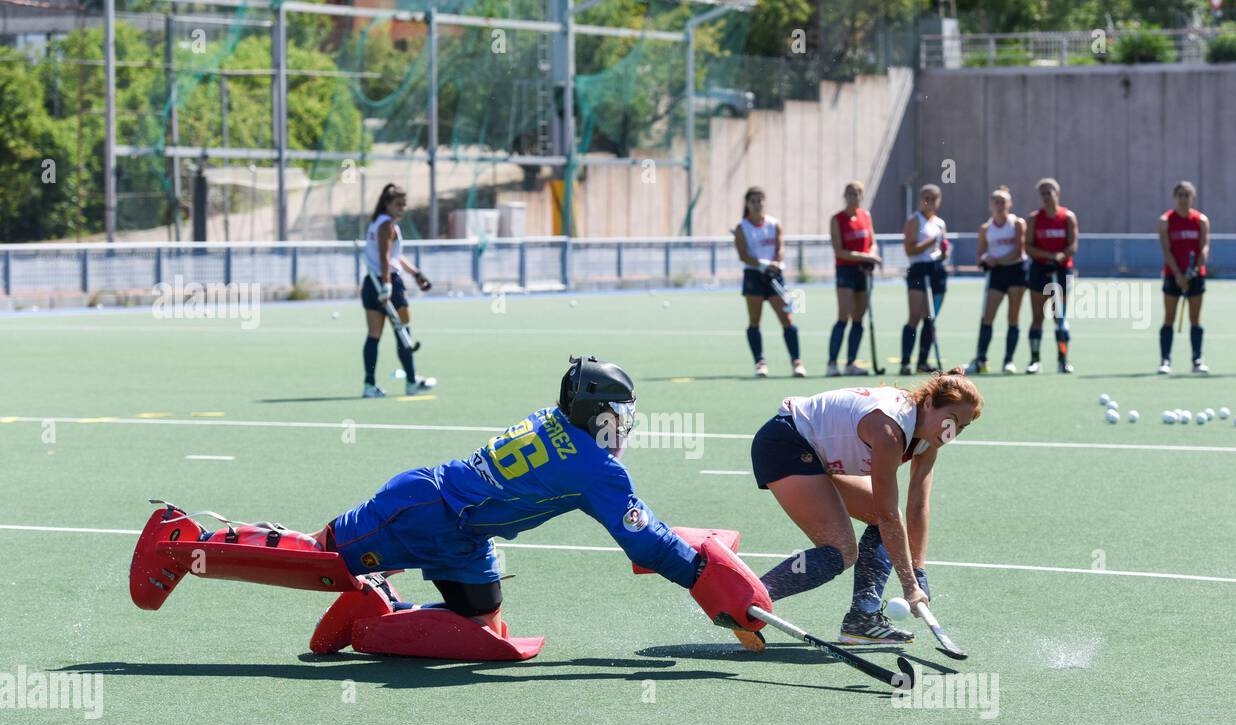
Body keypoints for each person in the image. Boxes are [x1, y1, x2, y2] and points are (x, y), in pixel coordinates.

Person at [131, 358, 772, 645]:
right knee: (319, 560)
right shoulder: (593, 466)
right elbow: (640, 538)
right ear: (593, 414)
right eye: (616, 415)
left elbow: (639, 526)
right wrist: (700, 576)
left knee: (482, 621)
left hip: (462, 533)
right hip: (424, 510)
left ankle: (377, 605)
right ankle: (181, 546)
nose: (622, 427)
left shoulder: (562, 425)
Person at [740, 370, 983, 649]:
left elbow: (917, 505)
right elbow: (888, 514)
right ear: (928, 403)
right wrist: (909, 586)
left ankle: (862, 619)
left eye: (962, 427)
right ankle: (745, 599)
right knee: (841, 551)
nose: (951, 433)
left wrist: (919, 572)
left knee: (882, 524)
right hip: (787, 444)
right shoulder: (890, 430)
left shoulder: (929, 437)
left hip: (820, 454)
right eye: (951, 420)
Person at [361, 183, 436, 398]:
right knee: (404, 332)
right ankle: (411, 381)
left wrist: (415, 273)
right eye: (398, 205)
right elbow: (385, 257)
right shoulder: (387, 226)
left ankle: (369, 385)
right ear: (387, 204)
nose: (402, 209)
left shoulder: (377, 223)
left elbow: (394, 255)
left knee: (374, 336)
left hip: (371, 284)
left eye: (404, 205)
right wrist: (387, 284)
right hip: (389, 285)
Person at [733, 186, 807, 378]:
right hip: (754, 277)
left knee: (787, 319)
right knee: (755, 321)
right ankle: (760, 363)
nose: (757, 204)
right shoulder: (742, 227)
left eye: (760, 200)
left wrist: (775, 264)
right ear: (747, 204)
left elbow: (780, 248)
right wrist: (762, 265)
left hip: (775, 276)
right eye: (753, 201)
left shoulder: (774, 224)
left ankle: (796, 362)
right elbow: (743, 255)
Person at [968, 186, 1028, 374]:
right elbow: (979, 256)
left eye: (1003, 202)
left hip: (1016, 272)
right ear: (991, 205)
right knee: (988, 317)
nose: (1000, 205)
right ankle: (981, 359)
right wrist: (985, 260)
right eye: (996, 202)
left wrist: (996, 260)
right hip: (996, 275)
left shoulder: (1017, 223)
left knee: (1013, 318)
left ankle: (1008, 361)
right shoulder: (986, 228)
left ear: (1009, 204)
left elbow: (1018, 251)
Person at [827, 181, 882, 376]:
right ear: (845, 196)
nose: (854, 196)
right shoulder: (837, 219)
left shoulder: (865, 216)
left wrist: (871, 255)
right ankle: (832, 363)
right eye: (850, 193)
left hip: (864, 272)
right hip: (846, 272)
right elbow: (839, 250)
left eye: (857, 193)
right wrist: (866, 256)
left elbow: (872, 243)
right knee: (844, 316)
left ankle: (851, 363)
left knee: (859, 317)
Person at [1024, 178, 1078, 374]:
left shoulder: (1068, 217)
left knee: (1060, 317)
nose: (1047, 196)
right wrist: (1047, 256)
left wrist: (1061, 256)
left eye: (1050, 192)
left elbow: (1073, 244)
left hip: (1062, 271)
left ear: (1057, 193)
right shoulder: (1034, 218)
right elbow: (1028, 245)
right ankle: (1034, 360)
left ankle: (1063, 359)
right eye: (1043, 193)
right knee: (1037, 317)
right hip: (1040, 270)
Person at [1157, 180, 1211, 375]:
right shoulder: (1166, 220)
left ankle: (1197, 359)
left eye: (1187, 195)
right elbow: (1166, 249)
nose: (1183, 199)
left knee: (1195, 319)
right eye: (1180, 195)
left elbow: (1204, 248)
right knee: (1169, 318)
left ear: (1192, 198)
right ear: (1175, 197)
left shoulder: (1201, 220)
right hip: (1173, 276)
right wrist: (1179, 275)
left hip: (1195, 276)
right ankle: (1165, 360)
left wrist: (1194, 270)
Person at [899, 184, 948, 375]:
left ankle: (922, 361)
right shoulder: (914, 221)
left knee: (930, 318)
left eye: (934, 198)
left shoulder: (940, 223)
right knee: (914, 316)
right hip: (919, 270)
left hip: (936, 270)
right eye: (926, 197)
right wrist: (931, 241)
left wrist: (944, 251)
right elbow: (910, 249)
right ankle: (905, 361)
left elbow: (941, 250)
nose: (930, 202)